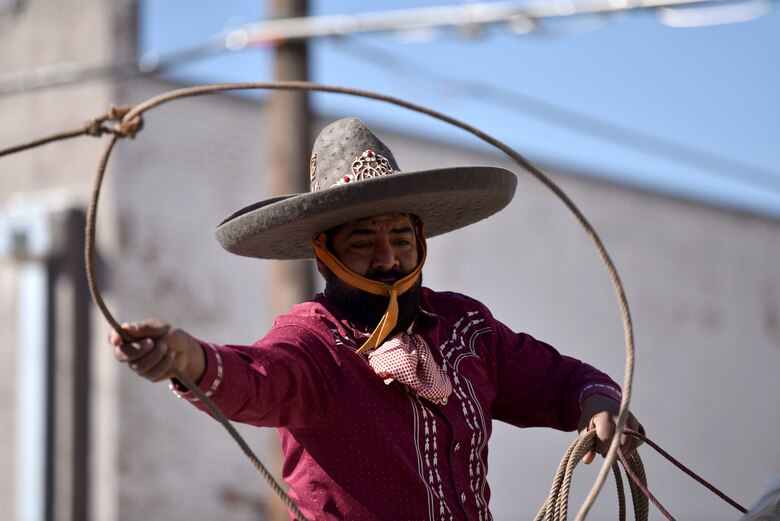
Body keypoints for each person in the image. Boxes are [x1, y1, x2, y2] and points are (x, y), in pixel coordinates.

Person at [110, 117, 642, 521]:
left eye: (401, 239)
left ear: (421, 243)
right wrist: (189, 359)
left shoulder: (466, 328)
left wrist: (596, 403)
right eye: (364, 242)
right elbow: (257, 378)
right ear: (325, 256)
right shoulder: (312, 344)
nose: (387, 259)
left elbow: (554, 377)